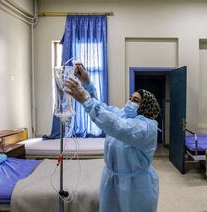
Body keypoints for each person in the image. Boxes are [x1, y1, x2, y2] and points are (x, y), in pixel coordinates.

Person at [64, 63, 161, 212]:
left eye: (135, 100)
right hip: (111, 180)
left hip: (136, 185)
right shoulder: (122, 114)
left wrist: (86, 100)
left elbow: (118, 127)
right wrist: (87, 84)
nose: (130, 102)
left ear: (146, 106)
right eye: (130, 98)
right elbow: (103, 111)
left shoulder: (147, 128)